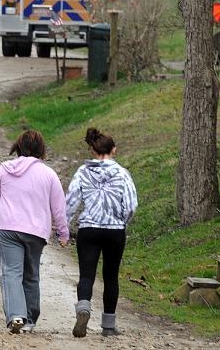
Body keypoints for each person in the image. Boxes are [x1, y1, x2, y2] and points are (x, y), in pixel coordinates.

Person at [0, 130, 69, 335]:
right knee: (31, 275)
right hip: (36, 231)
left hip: (8, 227)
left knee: (11, 272)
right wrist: (63, 234)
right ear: (41, 149)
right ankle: (30, 320)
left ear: (18, 147)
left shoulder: (4, 169)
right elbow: (59, 208)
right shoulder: (48, 174)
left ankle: (16, 316)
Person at [65, 128, 138, 338]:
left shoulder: (82, 172)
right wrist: (122, 221)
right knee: (111, 276)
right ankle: (108, 325)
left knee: (86, 274)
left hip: (88, 229)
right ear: (114, 150)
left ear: (92, 150)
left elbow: (70, 202)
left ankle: (84, 309)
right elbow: (132, 204)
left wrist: (63, 226)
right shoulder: (123, 174)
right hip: (114, 231)